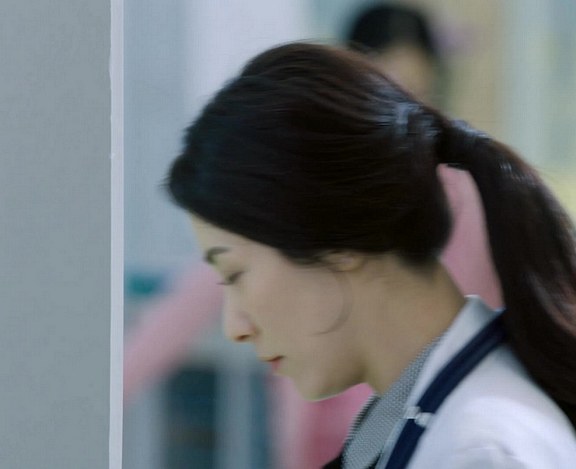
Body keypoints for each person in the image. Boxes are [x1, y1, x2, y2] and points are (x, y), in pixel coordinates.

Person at [165, 42, 576, 468]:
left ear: (335, 238)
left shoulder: (481, 452)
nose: (235, 327)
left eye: (236, 273)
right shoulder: (416, 424)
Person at [124, 4, 501, 468]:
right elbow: (184, 307)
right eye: (385, 99)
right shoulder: (302, 197)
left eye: (414, 98)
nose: (396, 131)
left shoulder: (466, 206)